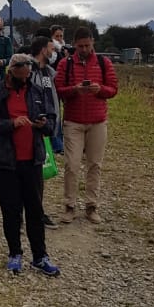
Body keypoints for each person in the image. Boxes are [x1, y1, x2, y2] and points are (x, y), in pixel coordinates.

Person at [0, 55, 60, 276]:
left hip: (33, 161)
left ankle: (40, 256)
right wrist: (11, 124)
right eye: (22, 75)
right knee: (11, 211)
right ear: (12, 71)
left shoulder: (37, 91)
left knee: (35, 210)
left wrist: (44, 124)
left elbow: (53, 121)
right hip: (6, 163)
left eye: (28, 75)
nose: (26, 79)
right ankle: (14, 253)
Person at [54, 27, 118, 225]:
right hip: (73, 121)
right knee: (71, 165)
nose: (84, 49)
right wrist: (74, 90)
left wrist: (100, 89)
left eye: (87, 45)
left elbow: (113, 89)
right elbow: (58, 89)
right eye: (80, 46)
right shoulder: (65, 64)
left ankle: (91, 206)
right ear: (75, 44)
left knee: (95, 165)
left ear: (92, 43)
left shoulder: (104, 63)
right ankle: (69, 205)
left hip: (97, 121)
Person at [29, 35, 59, 228]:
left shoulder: (49, 72)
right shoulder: (28, 70)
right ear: (42, 49)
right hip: (31, 129)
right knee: (30, 174)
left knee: (39, 174)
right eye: (51, 48)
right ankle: (28, 213)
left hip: (47, 127)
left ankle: (37, 211)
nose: (53, 52)